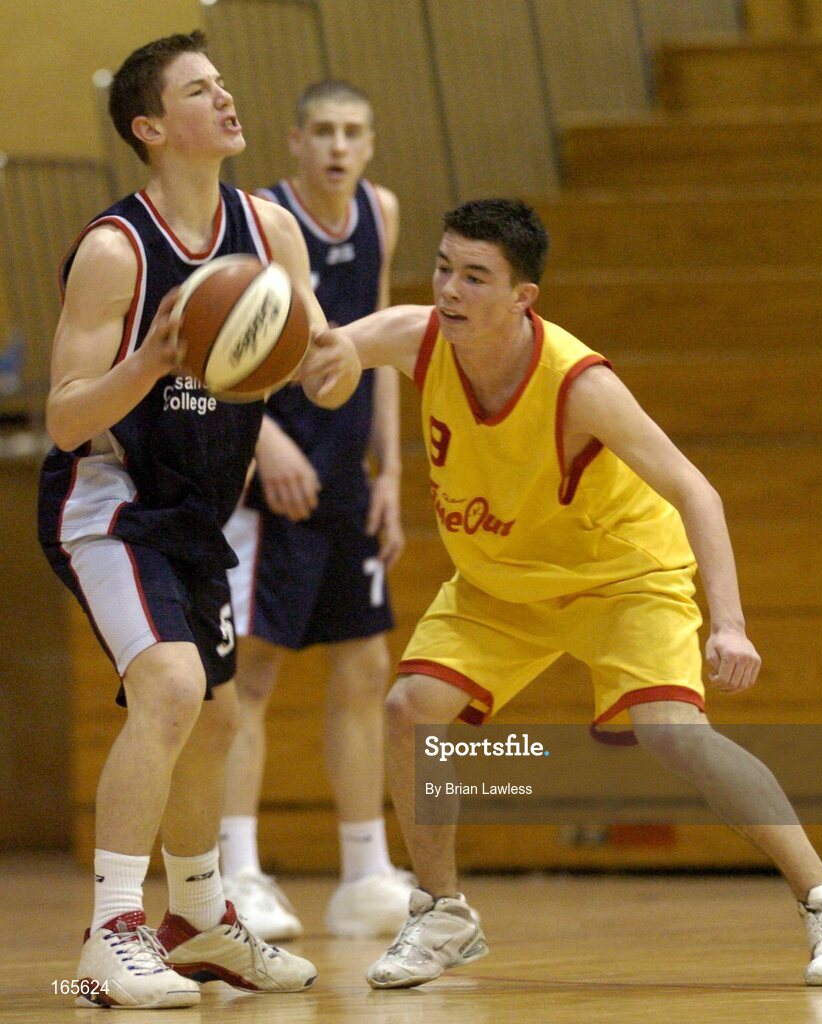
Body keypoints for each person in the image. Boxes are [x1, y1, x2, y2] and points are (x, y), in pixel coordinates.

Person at [323, 198, 822, 991]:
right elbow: (335, 347)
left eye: (475, 277)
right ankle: (442, 910)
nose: (450, 290)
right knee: (410, 708)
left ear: (523, 299)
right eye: (445, 268)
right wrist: (303, 347)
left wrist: (732, 625)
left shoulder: (579, 384)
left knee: (671, 733)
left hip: (622, 578)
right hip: (500, 583)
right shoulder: (419, 338)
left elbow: (696, 491)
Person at [36, 32, 359, 1009]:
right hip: (111, 501)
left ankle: (198, 922)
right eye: (199, 91)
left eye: (224, 84)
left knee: (217, 719)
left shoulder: (271, 232)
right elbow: (61, 415)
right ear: (150, 126)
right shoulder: (115, 249)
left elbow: (318, 364)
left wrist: (335, 363)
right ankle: (111, 929)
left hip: (199, 509)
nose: (226, 101)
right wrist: (151, 362)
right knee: (172, 686)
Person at [219, 80, 411, 942]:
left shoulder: (381, 210)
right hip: (265, 480)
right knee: (250, 671)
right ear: (294, 142)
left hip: (345, 477)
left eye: (353, 132)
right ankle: (238, 874)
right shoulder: (259, 219)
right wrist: (264, 440)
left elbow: (379, 348)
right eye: (323, 132)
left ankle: (366, 871)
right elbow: (214, 344)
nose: (338, 146)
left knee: (366, 667)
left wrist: (391, 469)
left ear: (370, 145)